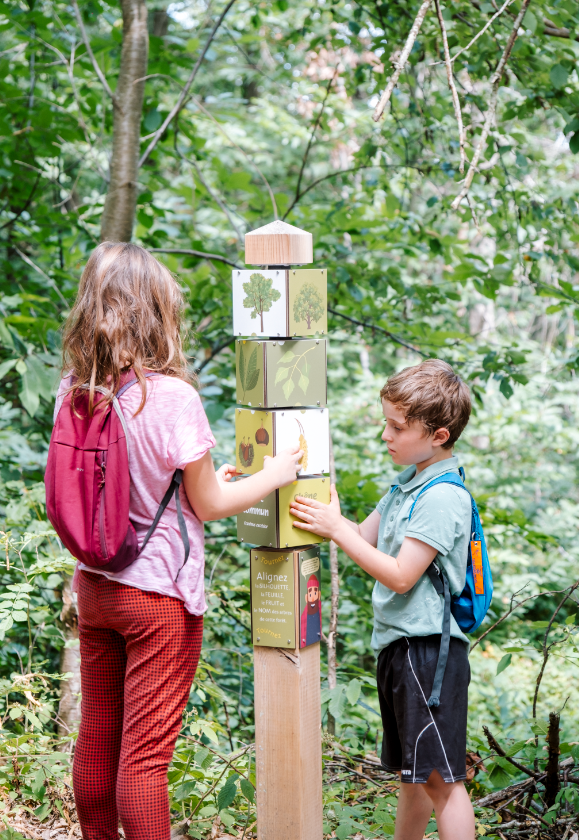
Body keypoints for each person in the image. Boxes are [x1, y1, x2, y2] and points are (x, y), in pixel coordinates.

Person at [55, 241, 302, 840]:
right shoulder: (171, 398)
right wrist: (278, 471)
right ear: (155, 312)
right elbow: (209, 504)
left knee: (98, 734)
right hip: (157, 596)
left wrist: (209, 481)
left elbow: (145, 480)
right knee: (144, 758)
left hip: (96, 585)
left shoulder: (75, 389)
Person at [290, 360, 475, 840]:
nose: (385, 434)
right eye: (386, 421)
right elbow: (357, 539)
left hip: (428, 656)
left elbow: (399, 575)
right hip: (401, 650)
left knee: (442, 783)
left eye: (397, 426)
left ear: (438, 434)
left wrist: (335, 530)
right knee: (414, 781)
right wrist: (328, 514)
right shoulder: (406, 487)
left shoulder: (441, 498)